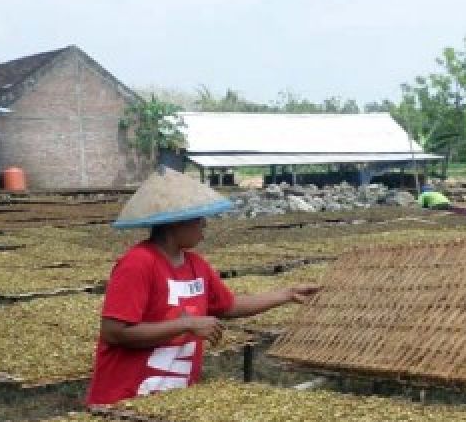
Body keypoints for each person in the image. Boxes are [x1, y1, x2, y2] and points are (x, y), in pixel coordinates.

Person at [86, 167, 319, 405]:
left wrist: (286, 294)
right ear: (175, 223)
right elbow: (114, 333)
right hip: (125, 397)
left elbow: (228, 306)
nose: (204, 225)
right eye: (198, 219)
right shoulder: (138, 263)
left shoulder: (196, 265)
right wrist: (186, 325)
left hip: (171, 398)